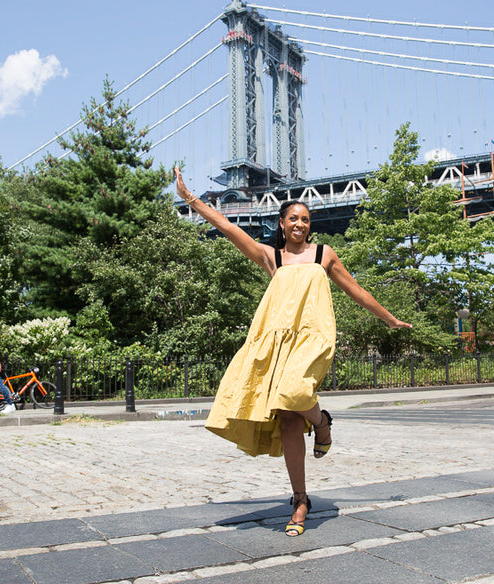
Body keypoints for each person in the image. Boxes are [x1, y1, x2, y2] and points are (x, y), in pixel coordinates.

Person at [174, 166, 411, 537]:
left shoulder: (323, 255)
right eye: (294, 219)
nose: (300, 224)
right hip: (275, 339)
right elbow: (229, 228)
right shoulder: (273, 258)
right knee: (286, 418)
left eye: (305, 219)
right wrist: (191, 200)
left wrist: (390, 319)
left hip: (313, 337)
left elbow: (356, 290)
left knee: (295, 393)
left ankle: (322, 423)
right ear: (282, 224)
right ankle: (300, 500)